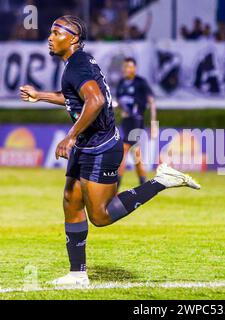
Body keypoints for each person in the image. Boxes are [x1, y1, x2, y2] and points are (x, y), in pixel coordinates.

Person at [19, 15, 200, 286]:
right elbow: (74, 98)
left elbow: (96, 100)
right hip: (87, 146)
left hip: (100, 148)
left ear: (74, 39)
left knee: (101, 216)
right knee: (70, 201)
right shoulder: (77, 63)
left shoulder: (76, 65)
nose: (50, 37)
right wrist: (40, 95)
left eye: (57, 33)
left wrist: (69, 136)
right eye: (51, 31)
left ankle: (162, 181)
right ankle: (78, 273)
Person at [115, 57, 157, 187]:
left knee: (124, 148)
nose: (126, 69)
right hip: (126, 121)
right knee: (135, 152)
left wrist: (154, 124)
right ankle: (143, 183)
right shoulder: (122, 83)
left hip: (136, 121)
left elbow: (152, 102)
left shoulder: (140, 82)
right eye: (125, 66)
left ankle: (116, 184)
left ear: (135, 68)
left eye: (129, 66)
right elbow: (120, 102)